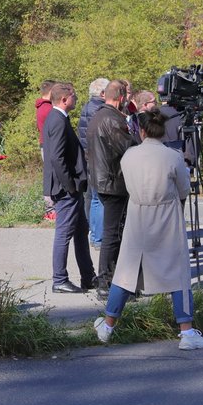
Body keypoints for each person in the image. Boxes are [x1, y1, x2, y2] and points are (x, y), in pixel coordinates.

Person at [93, 110, 203, 350]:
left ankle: (107, 326)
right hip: (167, 216)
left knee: (126, 272)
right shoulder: (173, 156)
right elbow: (183, 190)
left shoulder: (129, 155)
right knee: (178, 272)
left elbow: (127, 184)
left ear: (142, 131)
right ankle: (186, 332)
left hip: (138, 215)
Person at [42, 82, 97, 294]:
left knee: (81, 231)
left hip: (71, 187)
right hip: (66, 189)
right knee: (64, 233)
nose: (76, 99)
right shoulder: (56, 120)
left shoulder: (60, 118)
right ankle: (59, 279)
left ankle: (87, 276)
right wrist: (70, 185)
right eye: (73, 96)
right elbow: (56, 157)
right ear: (64, 99)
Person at [87, 80, 137, 296]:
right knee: (112, 233)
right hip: (112, 181)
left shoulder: (99, 115)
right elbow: (128, 148)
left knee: (113, 232)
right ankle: (106, 280)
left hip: (104, 179)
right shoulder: (110, 119)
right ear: (121, 97)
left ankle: (110, 277)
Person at [79, 77, 109, 248]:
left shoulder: (88, 106)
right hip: (97, 157)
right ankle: (97, 236)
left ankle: (94, 233)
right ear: (102, 93)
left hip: (90, 155)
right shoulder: (98, 109)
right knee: (98, 198)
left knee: (92, 197)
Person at [35, 79, 57, 221]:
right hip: (49, 144)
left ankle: (51, 208)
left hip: (45, 143)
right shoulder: (48, 109)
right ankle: (51, 209)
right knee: (51, 176)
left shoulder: (42, 106)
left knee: (51, 175)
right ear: (50, 91)